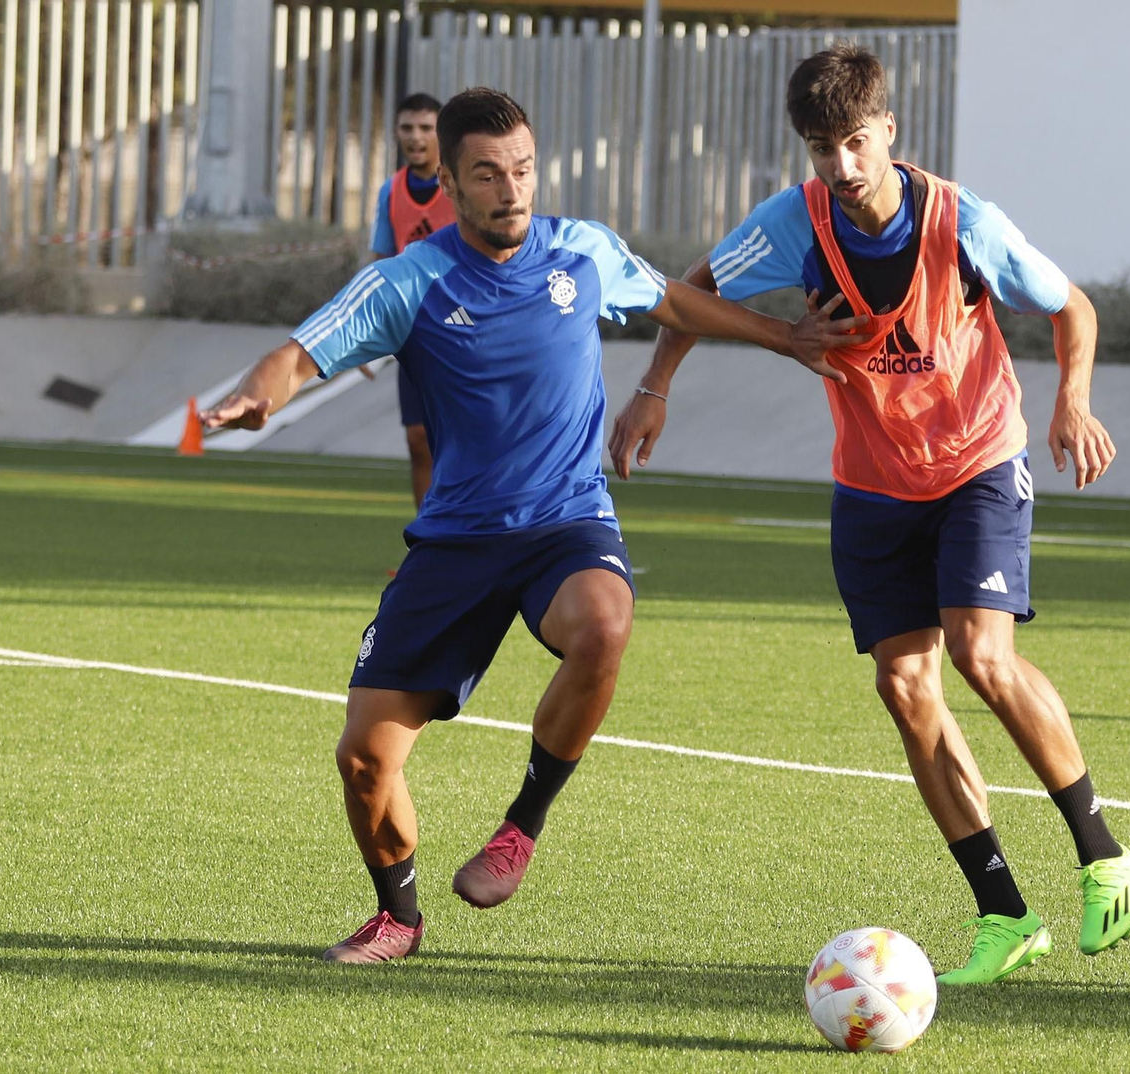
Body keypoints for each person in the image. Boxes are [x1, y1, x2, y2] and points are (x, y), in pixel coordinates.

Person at [201, 87, 861, 964]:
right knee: (363, 760)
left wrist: (785, 336)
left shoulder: (581, 250)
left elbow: (672, 300)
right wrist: (258, 395)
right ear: (450, 183)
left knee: (605, 624)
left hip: (565, 521)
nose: (510, 189)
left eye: (522, 170)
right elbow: (298, 353)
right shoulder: (410, 281)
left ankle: (520, 829)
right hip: (456, 541)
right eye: (487, 175)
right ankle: (398, 918)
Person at [608, 45, 1130, 986]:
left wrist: (1074, 400)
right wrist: (656, 387)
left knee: (980, 655)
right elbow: (692, 291)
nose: (843, 165)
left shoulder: (964, 223)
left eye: (857, 142)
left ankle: (1103, 855)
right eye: (824, 148)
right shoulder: (795, 222)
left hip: (978, 464)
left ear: (889, 131)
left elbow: (1074, 308)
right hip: (871, 484)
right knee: (904, 687)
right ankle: (1005, 915)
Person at [369, 92, 455, 508]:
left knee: (466, 438)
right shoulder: (391, 191)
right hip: (416, 331)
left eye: (426, 128)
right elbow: (381, 264)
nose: (415, 137)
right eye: (407, 128)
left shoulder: (460, 185)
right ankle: (429, 535)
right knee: (418, 438)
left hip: (467, 327)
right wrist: (367, 333)